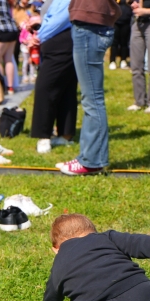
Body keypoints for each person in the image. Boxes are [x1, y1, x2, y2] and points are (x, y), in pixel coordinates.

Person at [56, 0, 120, 175]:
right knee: (90, 98)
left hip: (90, 26)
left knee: (92, 99)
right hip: (91, 25)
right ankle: (87, 157)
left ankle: (91, 161)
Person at [29, 0, 78, 154]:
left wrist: (40, 36)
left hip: (61, 42)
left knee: (45, 88)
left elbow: (60, 19)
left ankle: (43, 135)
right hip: (61, 42)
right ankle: (65, 134)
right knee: (66, 89)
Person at [128, 0, 150, 112]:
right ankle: (139, 101)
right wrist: (132, 3)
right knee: (136, 66)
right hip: (137, 23)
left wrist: (145, 11)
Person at [110, 0, 132, 71]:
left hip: (126, 21)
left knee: (124, 43)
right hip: (115, 22)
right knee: (114, 43)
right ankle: (112, 61)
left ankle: (123, 60)